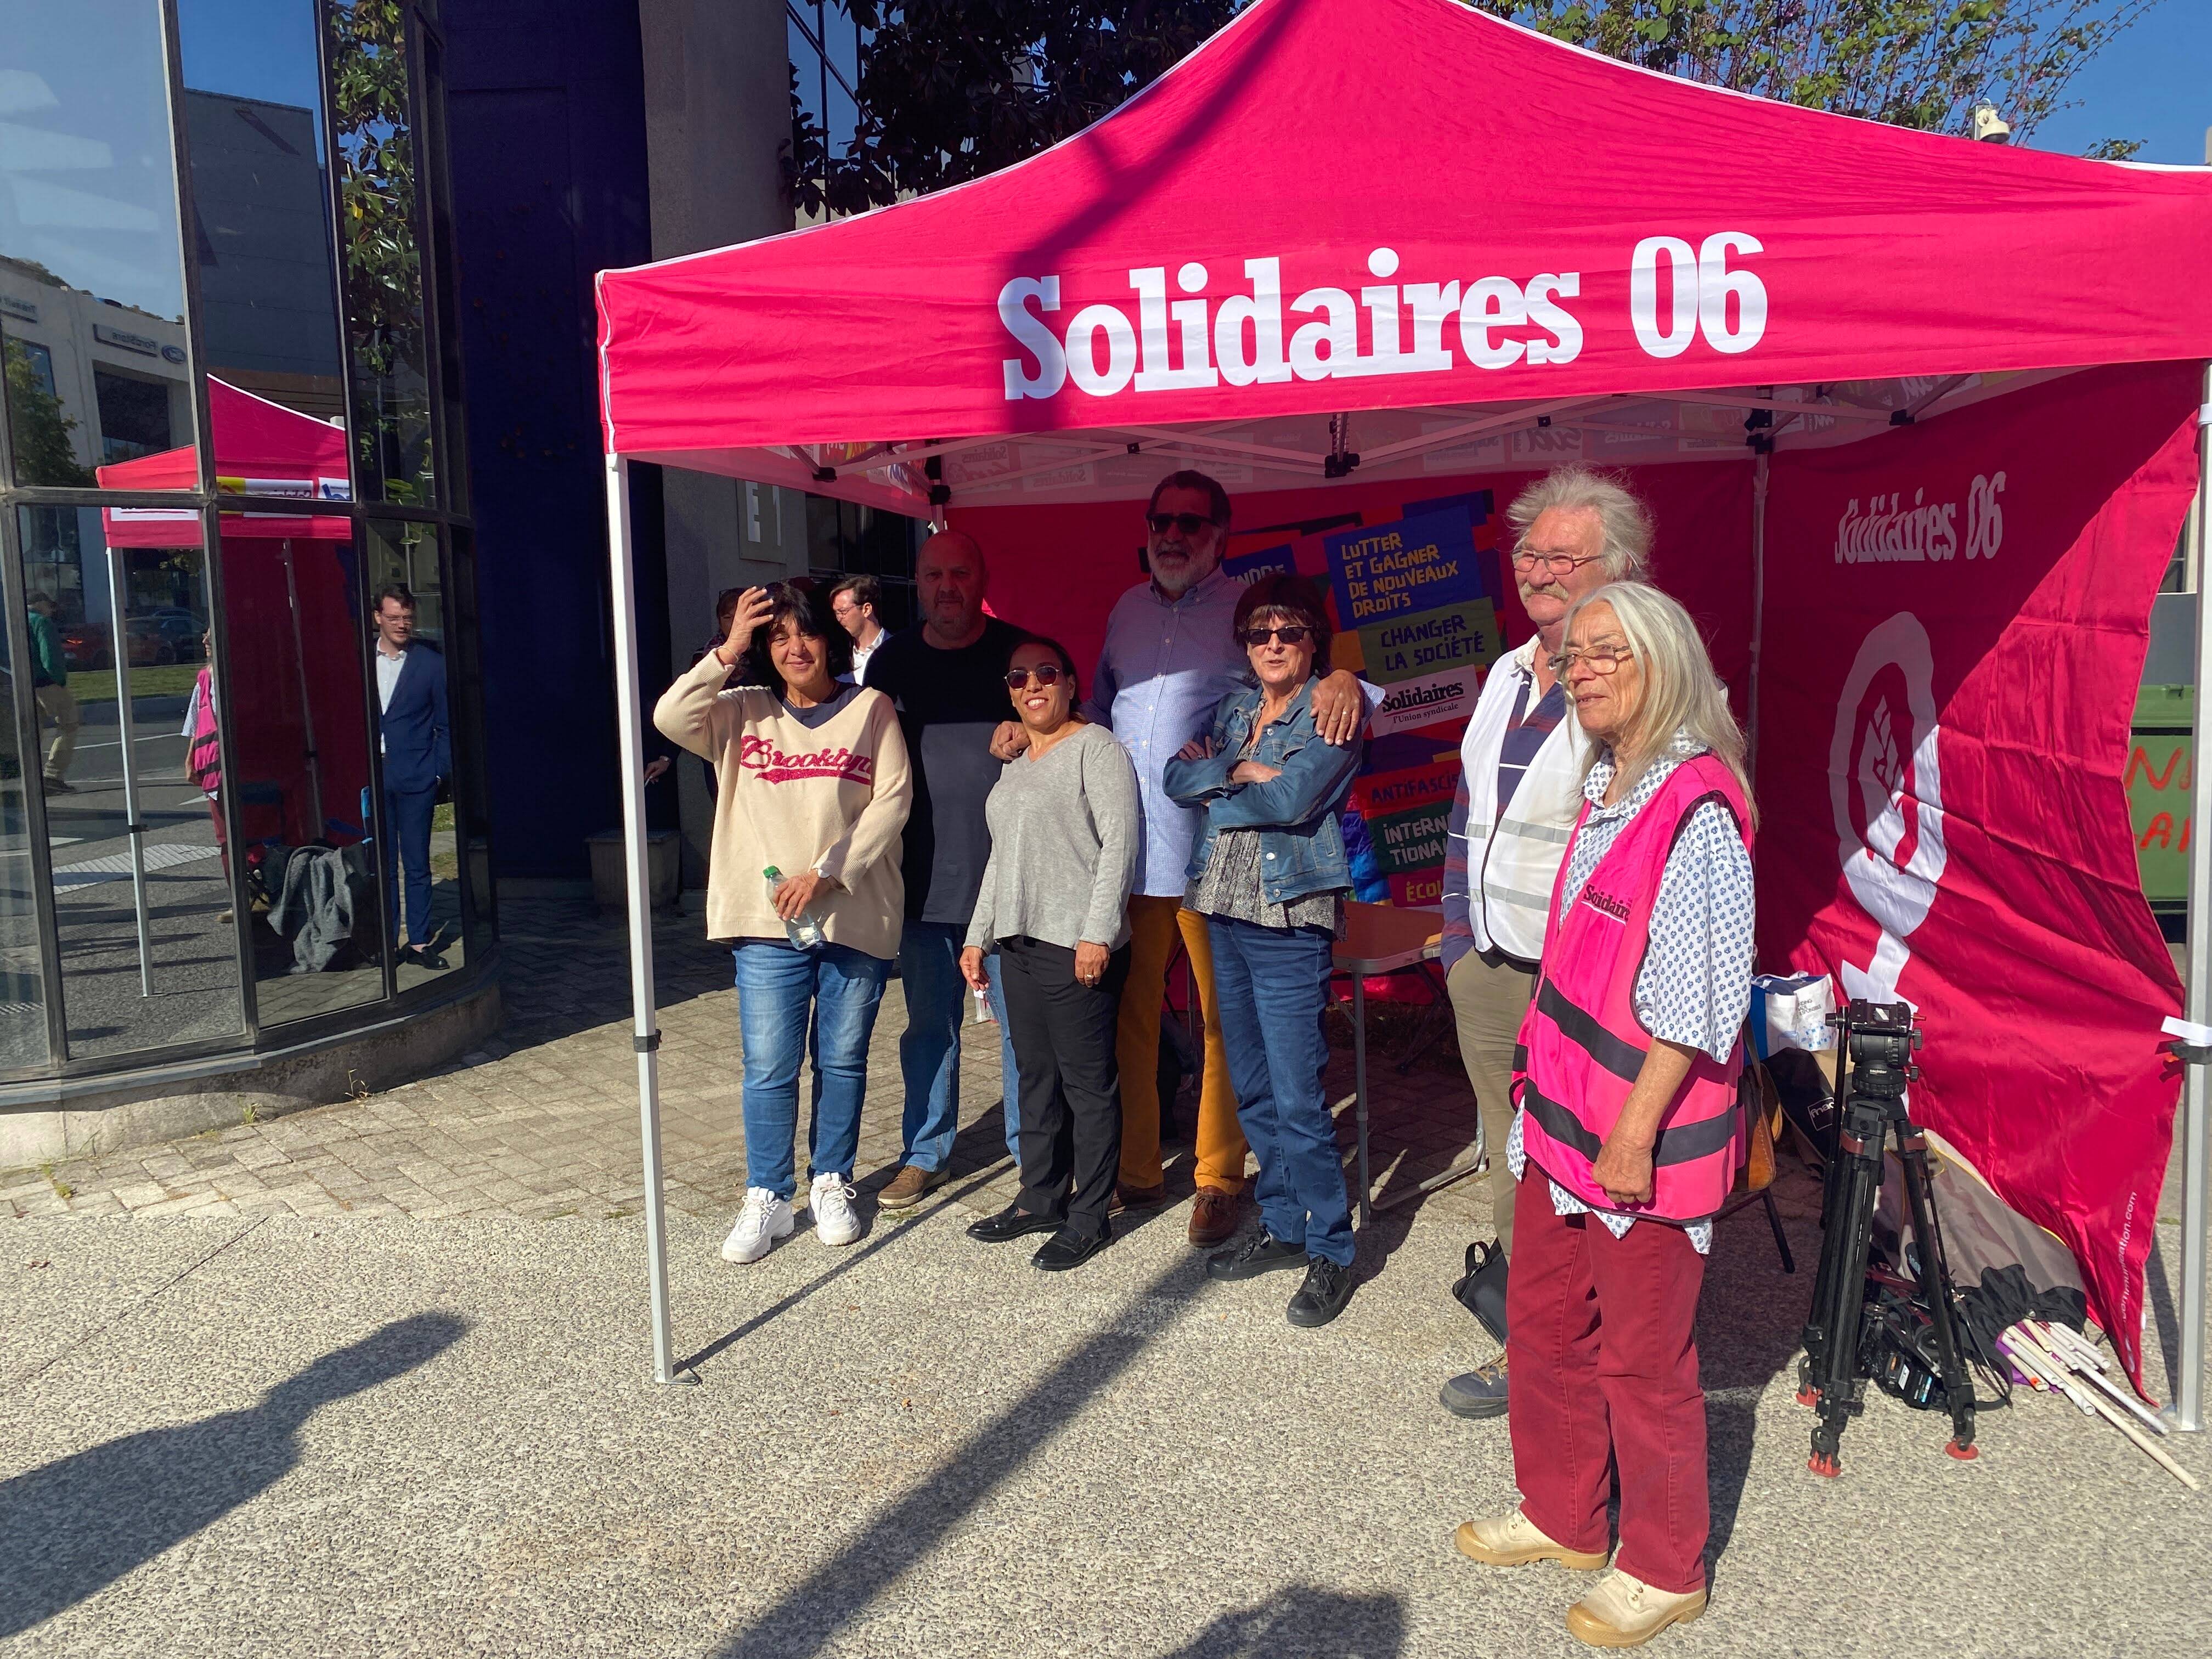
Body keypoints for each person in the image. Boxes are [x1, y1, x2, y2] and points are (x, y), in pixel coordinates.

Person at [1453, 582, 1754, 1651]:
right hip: (1566, 1120)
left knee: (1642, 1357)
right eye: (1574, 656)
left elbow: (1704, 1002)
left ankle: (1667, 1563)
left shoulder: (1697, 802)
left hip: (1641, 1137)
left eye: (1603, 656)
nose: (1578, 671)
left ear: (1662, 663)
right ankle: (1564, 1513)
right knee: (1543, 1322)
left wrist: (1632, 1135)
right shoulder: (1609, 777)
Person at [995, 470, 1372, 1246]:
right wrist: (1025, 732)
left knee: (1221, 1029)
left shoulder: (1248, 617)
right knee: (1126, 1020)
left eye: (1191, 524)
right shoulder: (1128, 609)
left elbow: (1308, 682)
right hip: (1123, 858)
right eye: (1161, 519)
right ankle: (1135, 1170)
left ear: (1220, 537)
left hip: (1213, 863)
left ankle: (1217, 1177)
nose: (1173, 533)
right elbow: (1090, 707)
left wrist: (1345, 678)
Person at [1436, 465, 1655, 1421]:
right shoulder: (1505, 669)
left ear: (1617, 566)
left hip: (1577, 978)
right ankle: (1531, 1345)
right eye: (1529, 551)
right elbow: (1468, 808)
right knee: (1509, 1155)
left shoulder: (1636, 677)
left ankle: (1599, 1354)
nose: (1539, 568)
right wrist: (1453, 938)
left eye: (1564, 554)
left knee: (1582, 1162)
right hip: (1487, 962)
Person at [653, 580, 912, 1262]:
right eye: (777, 638)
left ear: (830, 640)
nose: (794, 648)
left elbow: (892, 802)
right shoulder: (740, 711)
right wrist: (729, 647)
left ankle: (831, 1180)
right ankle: (766, 1195)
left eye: (806, 634)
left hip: (852, 909)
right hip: (766, 922)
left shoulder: (873, 709)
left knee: (842, 1058)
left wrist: (828, 870)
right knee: (769, 1066)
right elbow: (669, 718)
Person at [1165, 574, 1363, 1329]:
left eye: (1289, 633)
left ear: (1314, 642)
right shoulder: (1236, 708)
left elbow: (1295, 802)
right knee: (1249, 1085)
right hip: (1218, 908)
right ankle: (1283, 1226)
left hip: (1287, 918)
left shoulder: (1336, 710)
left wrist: (1220, 782)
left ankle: (1332, 1251)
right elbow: (1176, 776)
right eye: (1259, 634)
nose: (1273, 645)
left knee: (1298, 1095)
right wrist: (1237, 769)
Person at [960, 636, 1139, 1269]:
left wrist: (1097, 932)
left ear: (1069, 683)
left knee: (1086, 1084)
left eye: (1046, 673)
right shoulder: (1016, 764)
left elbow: (1120, 846)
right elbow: (1001, 860)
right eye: (1018, 677)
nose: (1031, 684)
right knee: (1035, 1077)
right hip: (1018, 945)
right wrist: (978, 935)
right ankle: (1040, 1197)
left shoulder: (1098, 749)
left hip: (1075, 944)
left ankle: (1089, 1215)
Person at [865, 529, 1026, 1211]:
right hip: (924, 883)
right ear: (918, 582)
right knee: (930, 1029)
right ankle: (925, 1153)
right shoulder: (892, 662)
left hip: (1013, 883)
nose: (946, 587)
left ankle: (1035, 1154)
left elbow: (1077, 728)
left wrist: (1036, 729)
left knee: (1026, 1034)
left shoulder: (1022, 657)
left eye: (961, 572)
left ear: (982, 578)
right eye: (933, 575)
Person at [371, 585, 451, 969]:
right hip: (374, 774)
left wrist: (438, 772)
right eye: (394, 617)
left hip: (417, 775)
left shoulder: (430, 664)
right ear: (378, 619)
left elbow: (446, 724)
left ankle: (419, 942)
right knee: (381, 863)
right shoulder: (362, 662)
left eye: (407, 618)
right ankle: (386, 943)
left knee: (416, 863)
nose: (402, 624)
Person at [26, 592, 78, 794]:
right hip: (47, 683)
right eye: (49, 605)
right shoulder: (41, 622)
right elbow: (50, 656)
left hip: (23, 683)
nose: (52, 610)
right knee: (69, 723)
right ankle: (53, 775)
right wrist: (60, 681)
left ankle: (31, 777)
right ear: (40, 604)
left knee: (32, 731)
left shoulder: (14, 621)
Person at [830, 575, 888, 681]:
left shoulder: (898, 650)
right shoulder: (836, 655)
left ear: (867, 609)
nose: (839, 619)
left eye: (843, 612)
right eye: (836, 613)